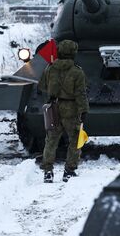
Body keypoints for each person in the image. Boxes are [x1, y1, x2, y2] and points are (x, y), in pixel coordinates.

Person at [38, 39, 89, 183]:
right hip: (71, 108)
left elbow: (42, 86)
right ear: (73, 53)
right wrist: (84, 110)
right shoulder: (77, 71)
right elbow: (81, 94)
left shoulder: (50, 68)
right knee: (75, 139)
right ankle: (69, 171)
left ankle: (48, 172)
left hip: (53, 106)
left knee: (51, 140)